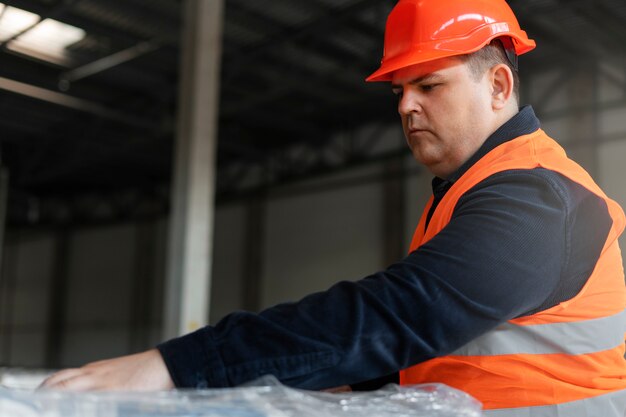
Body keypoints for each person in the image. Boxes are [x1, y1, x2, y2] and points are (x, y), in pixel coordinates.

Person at [42, 0, 626, 414]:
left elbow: (402, 315)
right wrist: (343, 383)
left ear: (499, 86)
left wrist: (177, 368)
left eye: (428, 85)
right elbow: (453, 344)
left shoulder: (538, 199)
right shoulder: (474, 190)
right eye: (398, 91)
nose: (405, 107)